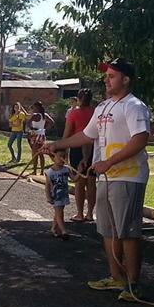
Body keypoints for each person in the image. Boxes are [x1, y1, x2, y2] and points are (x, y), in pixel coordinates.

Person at [43, 58, 150, 302]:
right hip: (105, 179)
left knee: (129, 232)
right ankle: (116, 278)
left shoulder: (134, 106)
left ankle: (133, 285)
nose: (106, 80)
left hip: (128, 177)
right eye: (106, 76)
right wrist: (57, 144)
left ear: (126, 79)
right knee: (108, 230)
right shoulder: (103, 107)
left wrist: (109, 162)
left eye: (112, 76)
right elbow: (86, 135)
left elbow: (140, 139)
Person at [64, 88, 96, 222]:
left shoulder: (73, 113)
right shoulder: (95, 112)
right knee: (91, 181)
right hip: (94, 148)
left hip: (77, 147)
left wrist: (63, 148)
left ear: (79, 99)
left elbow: (67, 133)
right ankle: (90, 213)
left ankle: (79, 213)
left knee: (79, 182)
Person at [44, 149, 71, 240]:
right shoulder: (49, 172)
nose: (62, 159)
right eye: (60, 157)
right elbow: (47, 186)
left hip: (64, 194)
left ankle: (54, 228)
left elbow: (74, 179)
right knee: (59, 213)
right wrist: (48, 196)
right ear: (53, 158)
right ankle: (64, 231)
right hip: (56, 195)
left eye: (64, 157)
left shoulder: (66, 169)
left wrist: (79, 171)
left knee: (59, 212)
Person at [27, 101, 54, 175]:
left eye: (34, 107)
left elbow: (28, 123)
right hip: (42, 135)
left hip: (35, 135)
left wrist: (32, 129)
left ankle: (35, 171)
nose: (33, 109)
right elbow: (52, 122)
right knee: (41, 153)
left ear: (36, 107)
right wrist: (44, 128)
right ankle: (42, 171)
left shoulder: (35, 115)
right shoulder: (45, 115)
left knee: (35, 153)